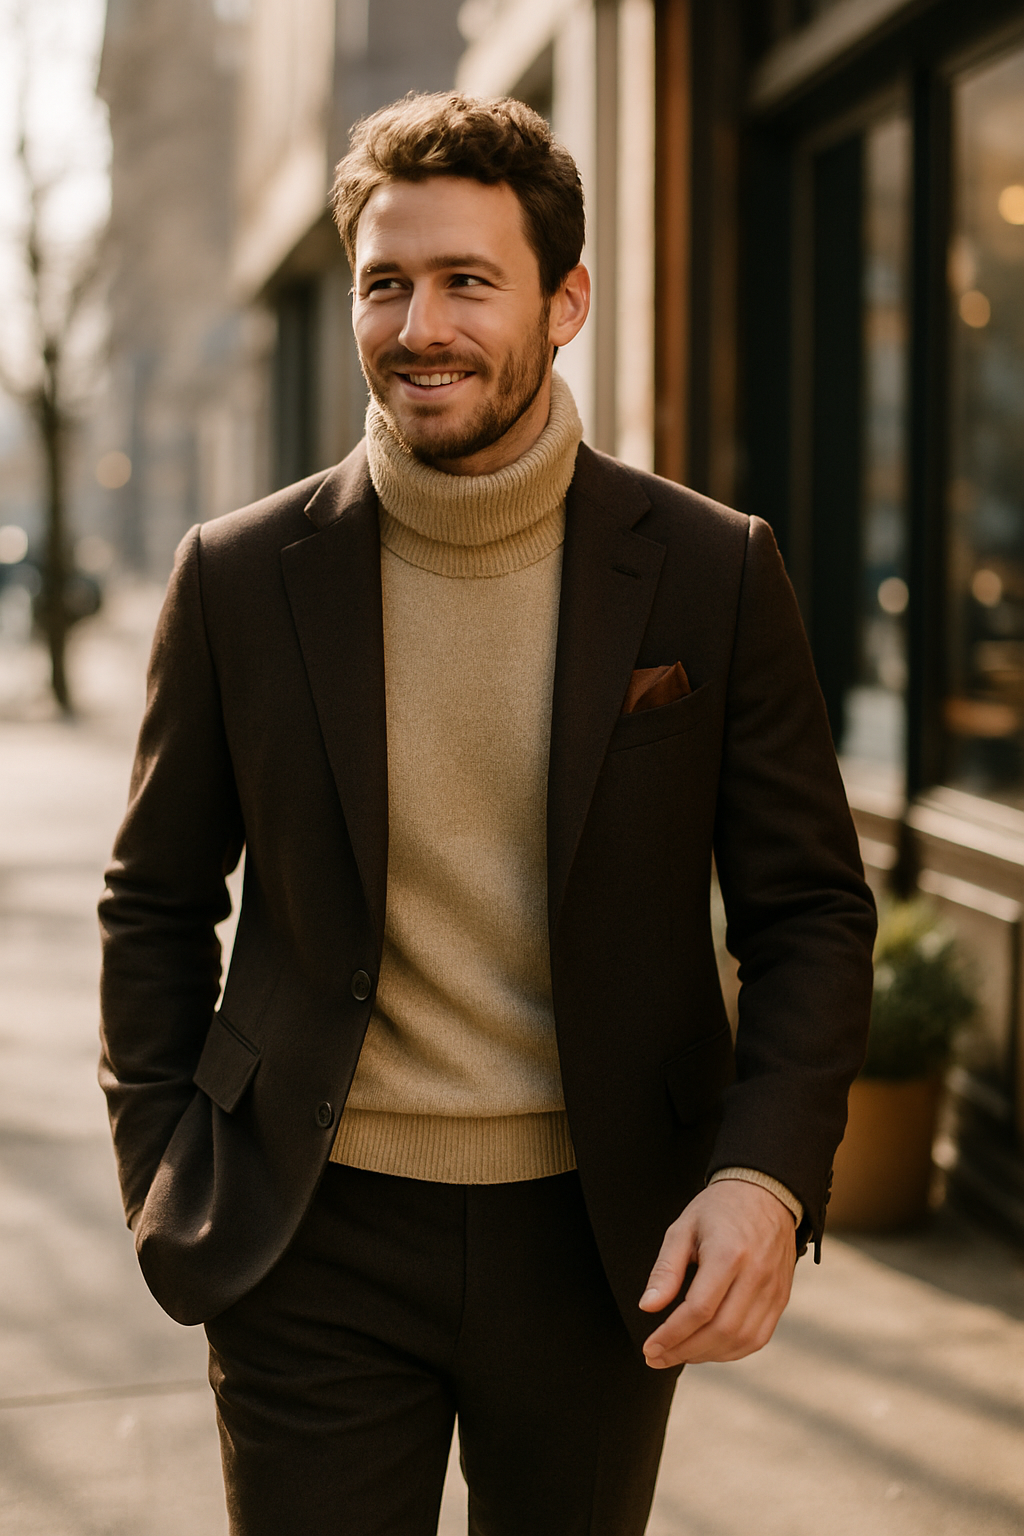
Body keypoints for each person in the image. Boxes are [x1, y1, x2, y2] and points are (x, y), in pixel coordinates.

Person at [99, 92, 876, 1536]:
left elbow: (812, 910)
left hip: (601, 1238)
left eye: (468, 280)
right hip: (306, 1233)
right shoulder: (240, 577)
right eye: (385, 283)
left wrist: (765, 1173)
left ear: (566, 300)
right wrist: (166, 1162)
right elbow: (154, 900)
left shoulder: (711, 570)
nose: (418, 326)